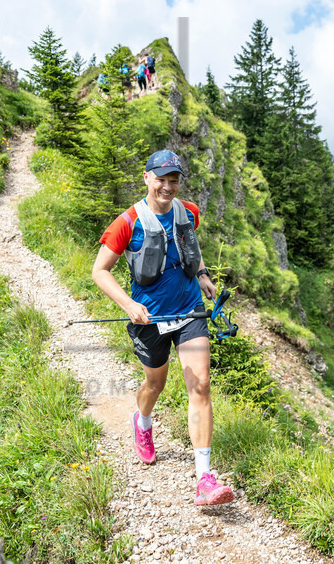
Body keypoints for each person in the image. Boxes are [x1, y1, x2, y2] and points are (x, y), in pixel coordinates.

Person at [92, 150, 235, 506]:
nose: (168, 187)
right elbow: (100, 271)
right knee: (155, 384)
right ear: (147, 178)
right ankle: (142, 421)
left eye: (174, 180)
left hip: (190, 312)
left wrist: (201, 274)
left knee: (200, 385)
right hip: (150, 319)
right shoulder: (127, 222)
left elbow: (189, 248)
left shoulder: (189, 212)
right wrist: (129, 305)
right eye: (161, 179)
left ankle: (204, 477)